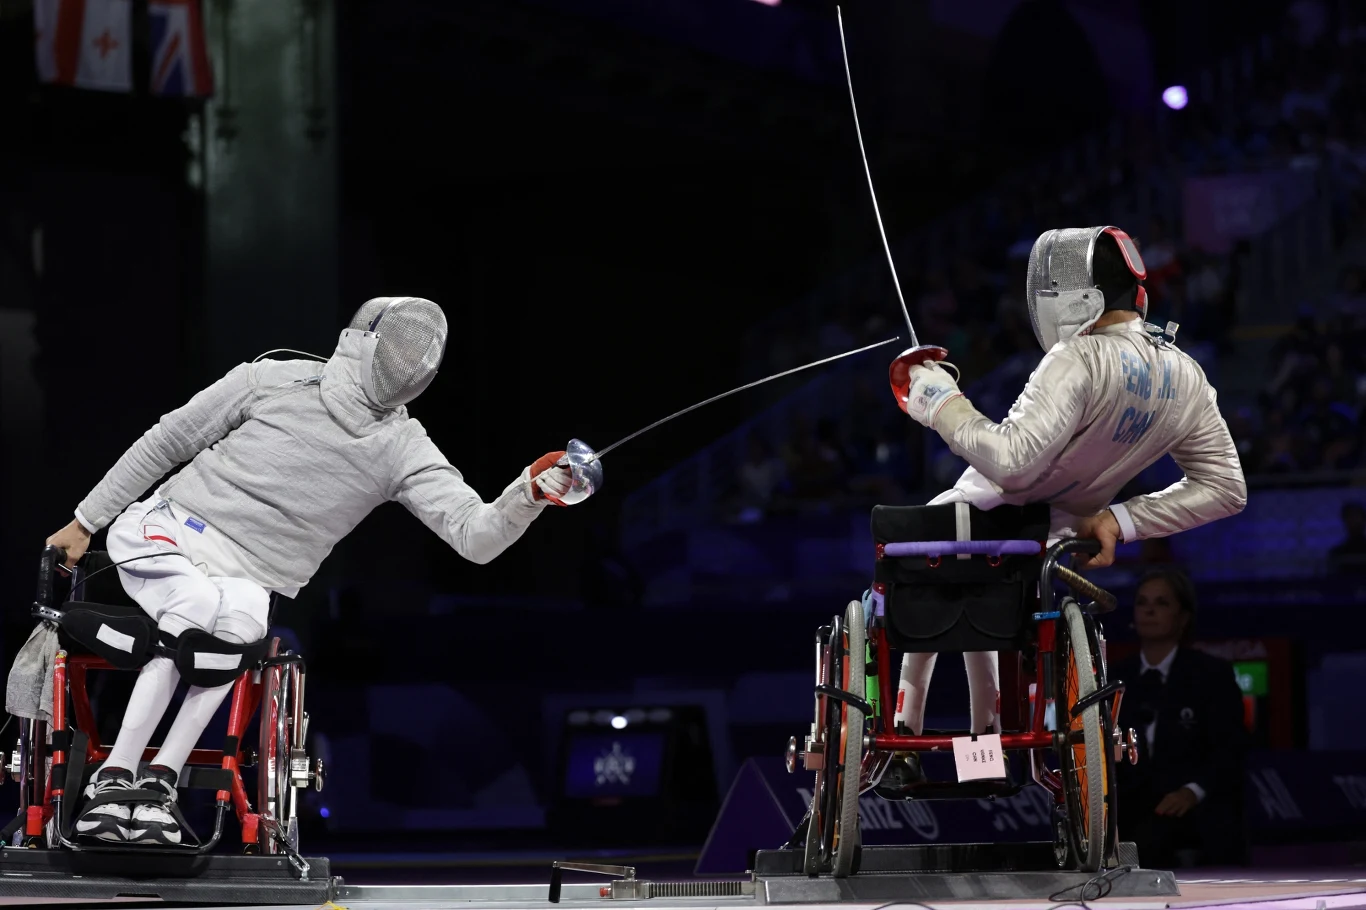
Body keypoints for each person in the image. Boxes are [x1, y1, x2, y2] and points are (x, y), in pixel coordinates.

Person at [42, 297, 578, 846]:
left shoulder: (402, 448)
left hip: (248, 576)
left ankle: (158, 784)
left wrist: (529, 493)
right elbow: (169, 440)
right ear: (360, 340)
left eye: (420, 358)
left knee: (242, 628)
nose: (408, 365)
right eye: (399, 349)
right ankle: (111, 781)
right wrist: (87, 520)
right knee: (196, 607)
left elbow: (475, 536)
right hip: (170, 531)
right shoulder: (274, 379)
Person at [884, 226, 1247, 786]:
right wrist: (1118, 520)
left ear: (1078, 300)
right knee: (984, 606)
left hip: (976, 525)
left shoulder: (1078, 357)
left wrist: (939, 402)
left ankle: (904, 740)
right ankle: (987, 750)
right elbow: (1226, 487)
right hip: (1049, 549)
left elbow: (1012, 463)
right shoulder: (1185, 375)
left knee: (914, 567)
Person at [1112, 569, 1247, 867]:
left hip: (1194, 805)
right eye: (1142, 602)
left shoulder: (1212, 675)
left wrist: (1192, 791)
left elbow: (1230, 749)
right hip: (1132, 806)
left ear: (1183, 617)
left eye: (1161, 603)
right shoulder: (1115, 678)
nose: (1149, 610)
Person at [1328, 501, 1366, 573]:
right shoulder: (1337, 553)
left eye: (1356, 516)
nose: (1353, 520)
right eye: (1350, 516)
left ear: (1363, 519)